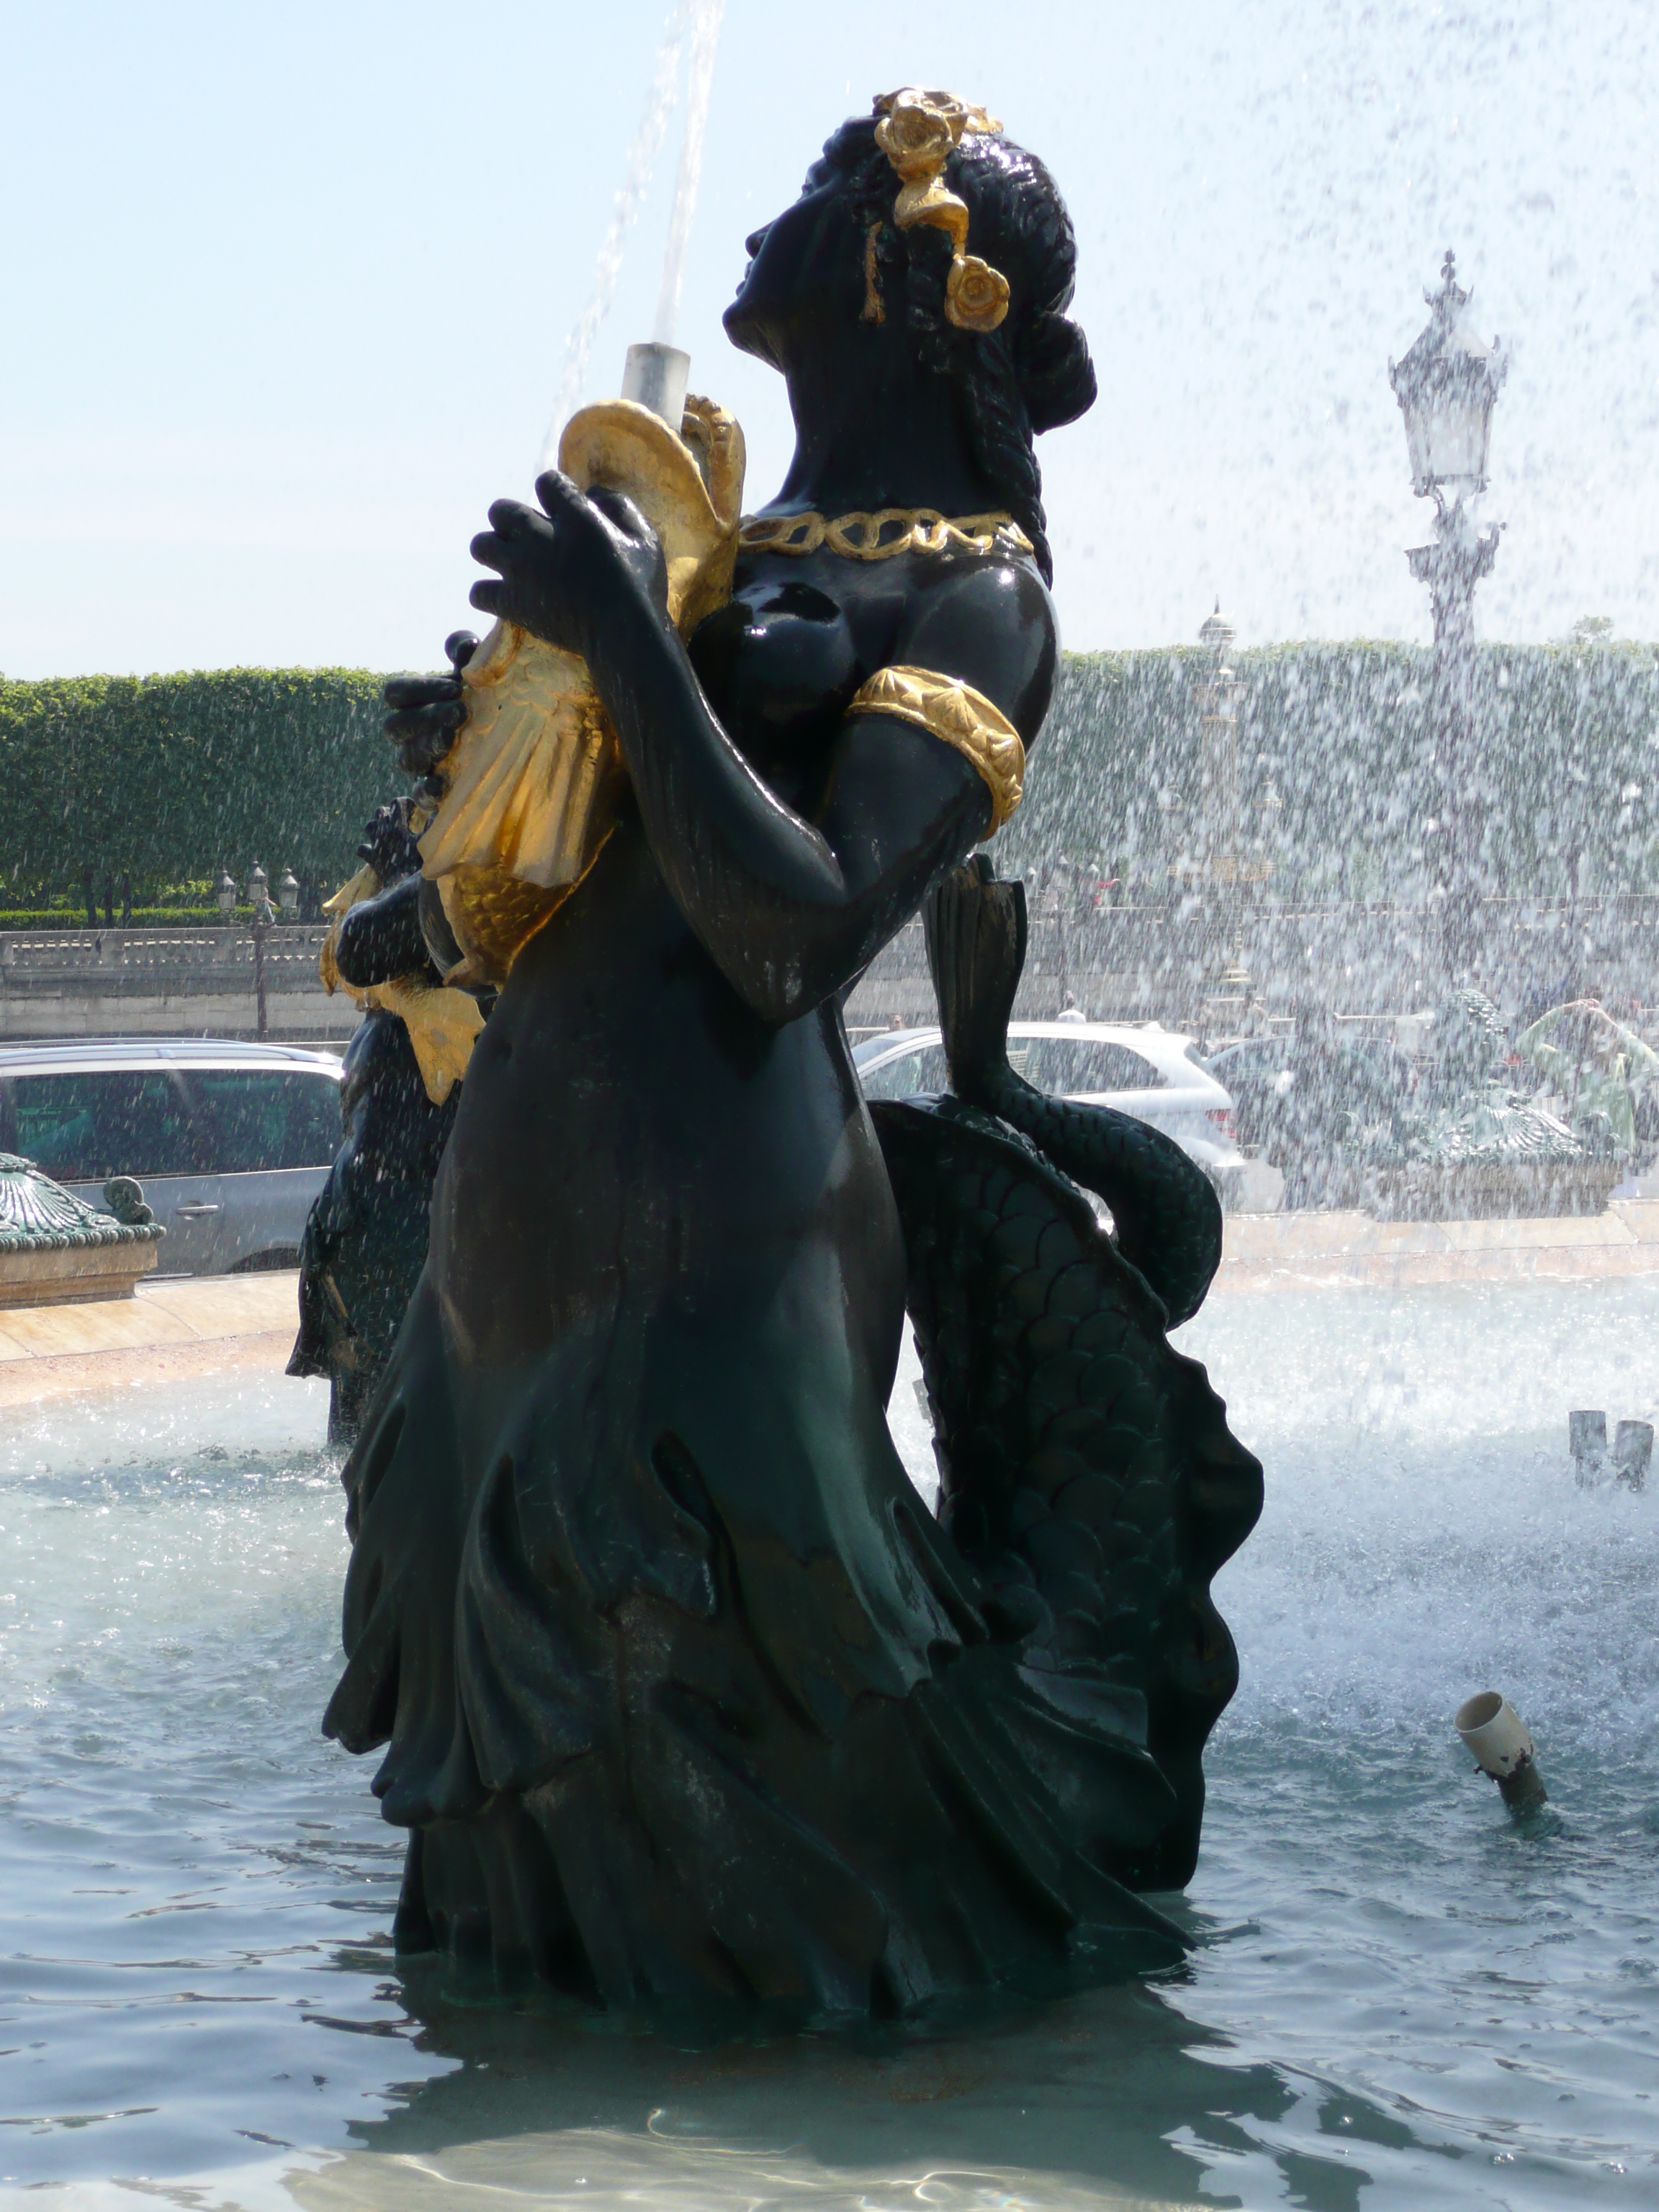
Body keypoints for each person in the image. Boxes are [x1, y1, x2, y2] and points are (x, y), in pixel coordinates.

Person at [323, 91, 1242, 2017]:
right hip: (529, 1219)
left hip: (718, 1265)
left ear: (925, 280)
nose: (780, 216)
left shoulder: (979, 599)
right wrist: (482, 778)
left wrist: (629, 650)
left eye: (837, 190)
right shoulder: (723, 543)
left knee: (720, 1761)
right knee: (517, 1834)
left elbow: (794, 938)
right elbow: (553, 874)